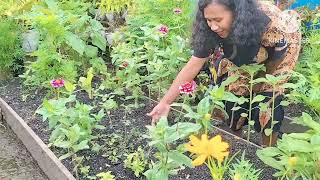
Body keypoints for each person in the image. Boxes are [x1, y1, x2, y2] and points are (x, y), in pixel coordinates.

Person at [147, 0, 301, 147]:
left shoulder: (269, 21)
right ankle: (236, 141)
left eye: (218, 20)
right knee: (234, 94)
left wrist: (260, 83)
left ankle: (268, 151)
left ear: (236, 12)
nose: (213, 26)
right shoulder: (210, 27)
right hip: (243, 42)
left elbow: (276, 58)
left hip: (281, 49)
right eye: (209, 20)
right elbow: (193, 65)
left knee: (267, 101)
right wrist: (165, 102)